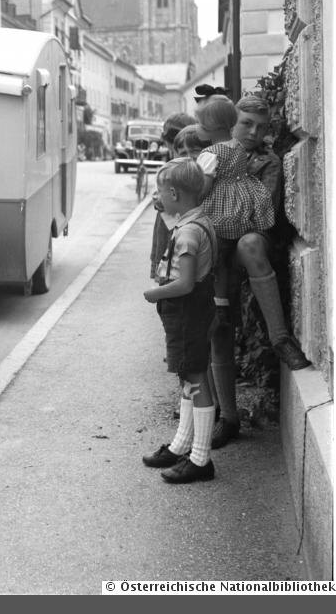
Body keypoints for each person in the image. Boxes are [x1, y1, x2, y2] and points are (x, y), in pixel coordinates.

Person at [208, 95, 310, 449]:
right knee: (218, 327)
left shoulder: (269, 162)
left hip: (250, 238)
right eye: (246, 123)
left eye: (261, 127)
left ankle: (280, 338)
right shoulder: (213, 154)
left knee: (250, 243)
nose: (253, 132)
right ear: (232, 123)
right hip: (216, 248)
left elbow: (259, 210)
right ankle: (227, 417)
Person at [142, 158, 218, 483]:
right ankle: (181, 445)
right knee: (188, 376)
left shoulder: (187, 233)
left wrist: (154, 294)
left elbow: (185, 284)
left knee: (195, 378)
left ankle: (200, 459)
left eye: (160, 191)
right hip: (193, 311)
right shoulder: (198, 221)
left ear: (173, 193)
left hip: (187, 311)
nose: (158, 197)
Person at [149, 112, 196, 280]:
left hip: (179, 227)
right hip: (174, 226)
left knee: (173, 270)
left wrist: (161, 200)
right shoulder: (180, 163)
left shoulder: (183, 166)